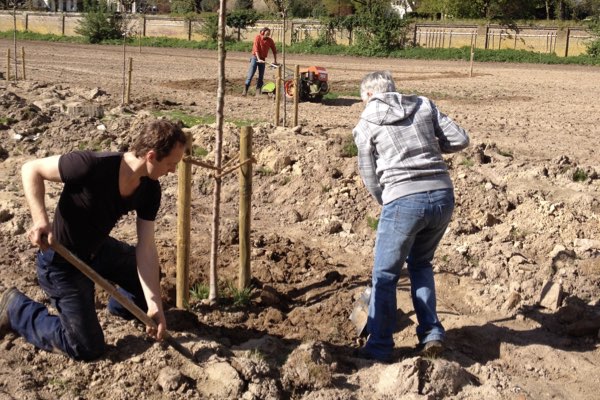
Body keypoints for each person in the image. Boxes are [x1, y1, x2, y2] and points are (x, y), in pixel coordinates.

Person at [0, 119, 187, 361]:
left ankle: (119, 310)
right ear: (151, 156)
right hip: (62, 261)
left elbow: (146, 248)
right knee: (86, 347)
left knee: (144, 286)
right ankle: (17, 310)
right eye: (171, 164)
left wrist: (153, 306)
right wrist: (40, 220)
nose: (173, 171)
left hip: (97, 250)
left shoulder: (150, 189)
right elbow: (30, 169)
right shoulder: (91, 165)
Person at [352, 71, 469, 362]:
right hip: (443, 196)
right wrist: (428, 146)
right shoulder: (422, 104)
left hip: (403, 200)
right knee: (420, 263)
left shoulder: (366, 122)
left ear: (368, 96)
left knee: (385, 275)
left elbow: (368, 174)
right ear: (392, 89)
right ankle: (431, 334)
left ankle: (379, 346)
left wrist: (386, 200)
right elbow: (460, 139)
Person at [242, 27, 278, 97]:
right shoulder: (257, 38)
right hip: (255, 58)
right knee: (250, 74)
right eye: (267, 33)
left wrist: (275, 60)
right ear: (262, 32)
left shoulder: (270, 40)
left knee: (261, 76)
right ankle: (245, 90)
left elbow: (274, 50)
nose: (268, 35)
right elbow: (256, 49)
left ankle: (258, 92)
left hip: (263, 59)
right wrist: (258, 59)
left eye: (269, 34)